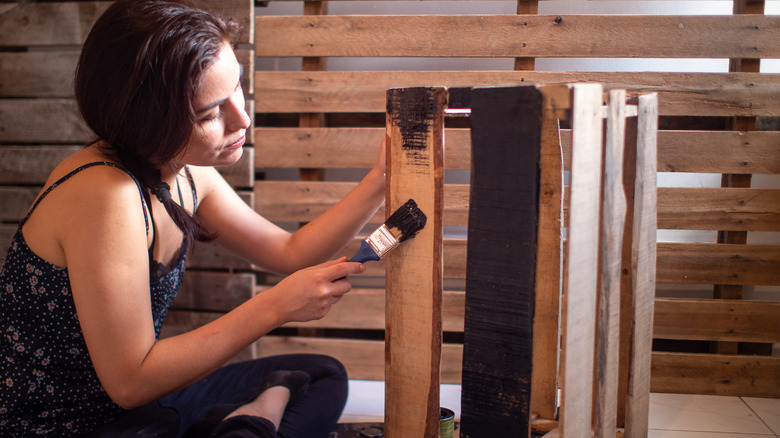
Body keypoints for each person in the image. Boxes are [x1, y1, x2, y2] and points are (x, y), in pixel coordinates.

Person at [0, 0, 386, 436]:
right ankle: (250, 422)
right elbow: (130, 382)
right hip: (67, 425)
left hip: (144, 408)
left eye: (237, 88)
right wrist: (274, 306)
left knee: (322, 376)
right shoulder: (104, 194)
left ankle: (246, 423)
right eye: (210, 113)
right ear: (148, 121)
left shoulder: (185, 172)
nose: (242, 118)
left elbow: (290, 252)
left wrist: (379, 179)